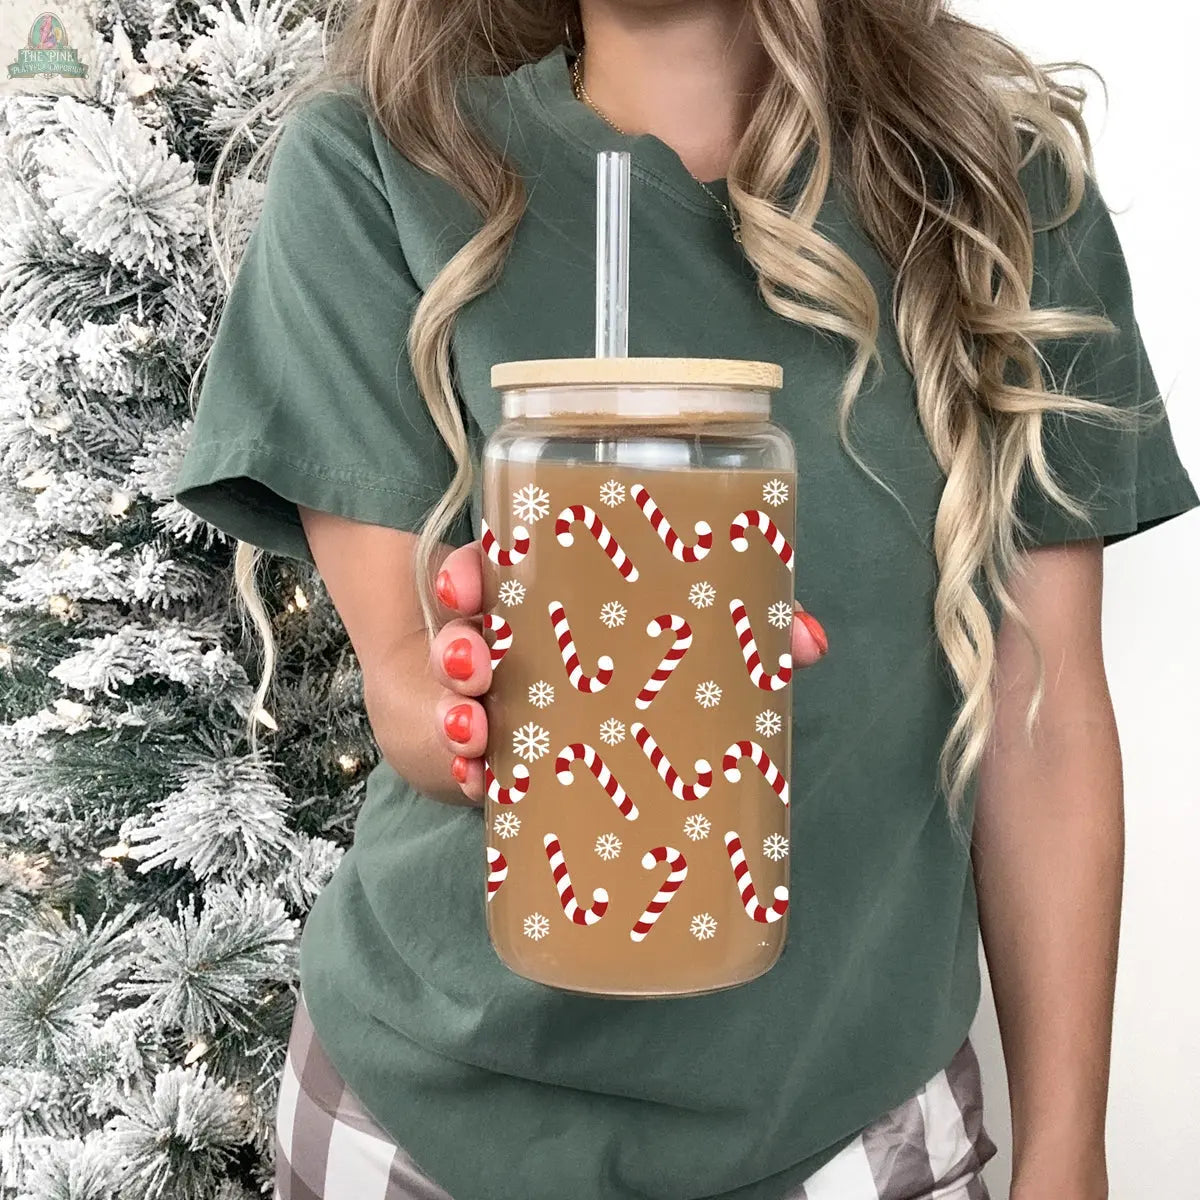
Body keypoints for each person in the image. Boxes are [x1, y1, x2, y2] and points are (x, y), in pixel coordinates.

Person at [171, 2, 1198, 1198]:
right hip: (423, 1127)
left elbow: (1049, 715)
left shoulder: (999, 179)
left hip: (853, 1132)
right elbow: (409, 691)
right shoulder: (377, 158)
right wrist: (518, 686)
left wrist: (1069, 1150)